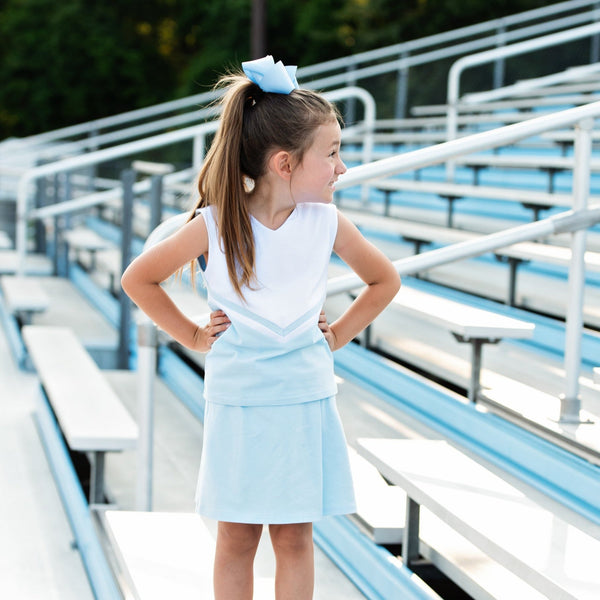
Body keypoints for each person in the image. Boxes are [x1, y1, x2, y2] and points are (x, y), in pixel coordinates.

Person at [121, 55, 401, 600]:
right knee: (237, 535)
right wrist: (194, 336)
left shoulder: (328, 223)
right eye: (333, 154)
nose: (342, 168)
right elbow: (140, 279)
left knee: (295, 536)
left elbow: (383, 281)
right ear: (284, 164)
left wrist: (337, 334)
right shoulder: (216, 224)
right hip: (240, 402)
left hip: (302, 397)